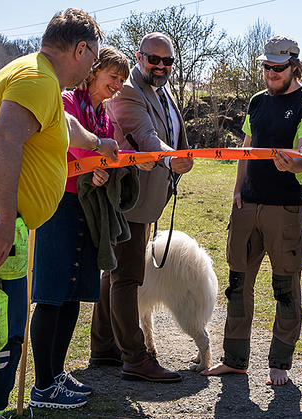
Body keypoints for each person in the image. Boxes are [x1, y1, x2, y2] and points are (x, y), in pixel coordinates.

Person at [0, 9, 115, 419]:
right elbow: (4, 138)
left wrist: (98, 141)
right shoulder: (36, 79)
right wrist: (5, 220)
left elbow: (63, 122)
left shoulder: (39, 77)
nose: (92, 68)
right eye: (93, 57)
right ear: (80, 49)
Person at [201, 35, 302, 386]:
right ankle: (235, 360)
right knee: (237, 285)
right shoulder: (257, 101)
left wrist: (294, 165)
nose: (271, 73)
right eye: (266, 66)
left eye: (278, 67)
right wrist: (237, 190)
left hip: (284, 210)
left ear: (294, 66)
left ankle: (280, 363)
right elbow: (246, 148)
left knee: (284, 288)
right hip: (248, 206)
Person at [28, 47, 130, 409]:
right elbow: (68, 141)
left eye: (122, 80)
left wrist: (105, 170)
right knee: (52, 294)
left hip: (86, 208)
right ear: (93, 71)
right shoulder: (68, 101)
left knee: (73, 295)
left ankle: (56, 373)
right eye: (112, 77)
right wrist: (93, 163)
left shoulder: (104, 116)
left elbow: (105, 153)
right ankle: (42, 386)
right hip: (57, 205)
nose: (117, 85)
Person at [90, 32, 194, 382]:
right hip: (128, 198)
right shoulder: (129, 91)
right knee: (128, 276)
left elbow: (172, 132)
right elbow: (147, 137)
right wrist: (170, 159)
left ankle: (104, 346)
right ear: (140, 57)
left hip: (147, 197)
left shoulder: (160, 89)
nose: (161, 66)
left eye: (168, 62)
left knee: (115, 271)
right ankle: (136, 356)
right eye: (154, 60)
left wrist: (179, 156)